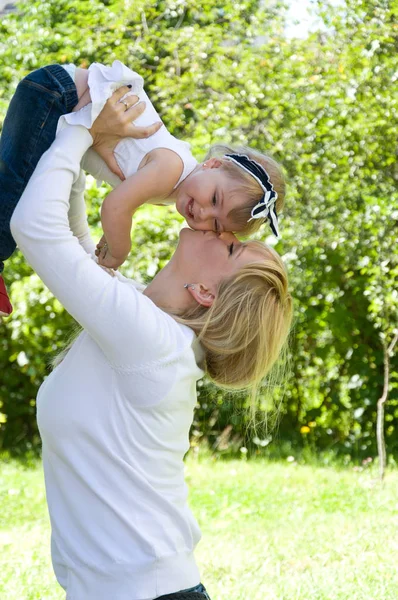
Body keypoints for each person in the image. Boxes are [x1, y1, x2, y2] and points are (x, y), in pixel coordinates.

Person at [10, 90, 293, 600]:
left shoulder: (153, 343)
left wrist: (80, 130)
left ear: (207, 293)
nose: (212, 225)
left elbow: (35, 230)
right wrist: (81, 151)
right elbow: (76, 245)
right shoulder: (150, 329)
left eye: (228, 243)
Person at [0, 60, 285, 316]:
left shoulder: (175, 186)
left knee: (22, 186)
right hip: (59, 94)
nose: (202, 211)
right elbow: (114, 207)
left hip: (59, 101)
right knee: (12, 191)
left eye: (214, 222)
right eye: (213, 198)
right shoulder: (171, 169)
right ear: (213, 164)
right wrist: (119, 250)